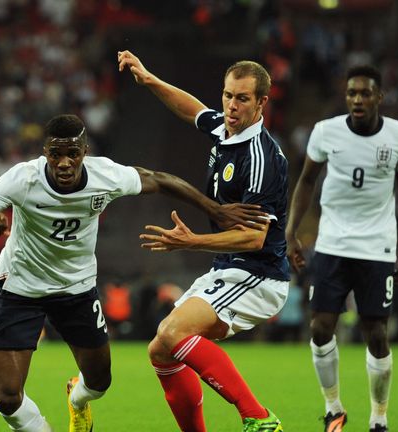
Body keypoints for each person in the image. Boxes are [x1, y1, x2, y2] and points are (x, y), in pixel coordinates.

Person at [0, 114, 266, 432]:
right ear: (45, 153)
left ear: (84, 152)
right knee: (5, 395)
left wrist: (216, 210)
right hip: (21, 288)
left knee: (99, 382)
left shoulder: (106, 175)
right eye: (56, 154)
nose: (64, 163)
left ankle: (77, 399)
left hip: (77, 289)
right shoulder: (21, 179)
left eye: (72, 154)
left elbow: (160, 179)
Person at [119, 50, 289, 432]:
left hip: (259, 274)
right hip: (231, 269)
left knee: (172, 333)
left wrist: (192, 242)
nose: (231, 105)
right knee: (161, 351)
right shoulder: (225, 127)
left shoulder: (261, 157)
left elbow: (253, 237)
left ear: (262, 102)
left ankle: (260, 419)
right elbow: (192, 109)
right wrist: (148, 79)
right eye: (228, 95)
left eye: (242, 98)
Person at [285, 65, 398, 432]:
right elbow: (306, 181)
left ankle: (379, 417)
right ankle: (334, 409)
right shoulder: (326, 132)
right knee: (320, 328)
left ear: (379, 97)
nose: (357, 100)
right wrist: (291, 231)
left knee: (376, 332)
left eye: (364, 93)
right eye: (351, 94)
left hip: (377, 248)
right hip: (331, 245)